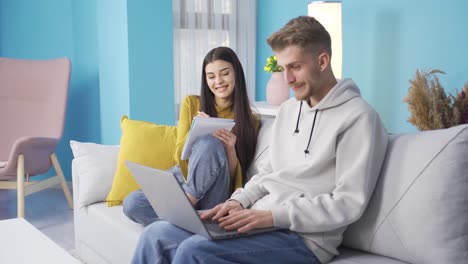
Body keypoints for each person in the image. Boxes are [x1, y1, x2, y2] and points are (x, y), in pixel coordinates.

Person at [131, 16, 389, 264]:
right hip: (258, 218)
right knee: (156, 234)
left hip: (304, 239)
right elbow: (267, 173)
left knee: (195, 251)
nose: (287, 79)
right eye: (283, 68)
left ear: (322, 61)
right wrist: (236, 201)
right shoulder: (289, 110)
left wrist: (270, 216)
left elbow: (348, 204)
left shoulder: (359, 118)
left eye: (295, 67)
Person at [123, 46, 259, 226]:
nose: (218, 81)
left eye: (224, 73)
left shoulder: (250, 120)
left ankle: (185, 207)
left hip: (215, 191)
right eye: (211, 76)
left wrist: (230, 149)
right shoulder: (191, 103)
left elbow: (235, 179)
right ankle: (191, 217)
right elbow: (179, 155)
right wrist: (196, 129)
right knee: (132, 204)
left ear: (236, 74)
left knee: (211, 141)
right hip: (183, 178)